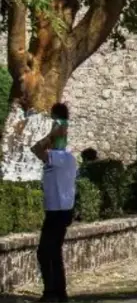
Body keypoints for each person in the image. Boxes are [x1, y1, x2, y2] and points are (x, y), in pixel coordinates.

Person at [32, 101, 76, 303]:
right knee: (54, 252)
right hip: (63, 209)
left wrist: (51, 136)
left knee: (44, 252)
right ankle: (59, 292)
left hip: (57, 211)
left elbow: (35, 149)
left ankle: (51, 292)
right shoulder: (68, 158)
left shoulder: (57, 157)